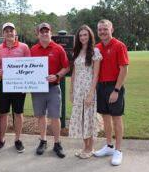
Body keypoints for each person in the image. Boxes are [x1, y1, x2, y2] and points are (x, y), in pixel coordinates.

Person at [30, 22, 70, 158]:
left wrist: (57, 75)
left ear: (51, 33)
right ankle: (43, 140)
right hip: (37, 89)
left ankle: (57, 143)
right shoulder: (33, 49)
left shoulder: (58, 49)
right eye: (42, 32)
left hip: (53, 88)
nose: (44, 33)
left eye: (47, 31)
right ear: (38, 34)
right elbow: (26, 68)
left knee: (55, 117)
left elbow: (66, 67)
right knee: (41, 116)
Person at [93, 19, 129, 166]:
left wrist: (116, 90)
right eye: (100, 29)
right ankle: (109, 146)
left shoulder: (119, 46)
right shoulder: (97, 47)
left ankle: (118, 150)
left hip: (114, 86)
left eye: (105, 29)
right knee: (105, 117)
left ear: (111, 30)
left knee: (116, 118)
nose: (102, 32)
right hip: (100, 87)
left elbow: (124, 70)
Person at [0, 22, 31, 153]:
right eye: (6, 31)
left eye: (11, 30)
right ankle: (1, 138)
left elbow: (29, 66)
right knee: (3, 113)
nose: (9, 33)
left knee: (18, 113)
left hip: (19, 85)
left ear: (15, 32)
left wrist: (27, 84)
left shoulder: (24, 47)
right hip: (3, 85)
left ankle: (17, 139)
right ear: (3, 33)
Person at [69, 25, 102, 159]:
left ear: (90, 36)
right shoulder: (76, 52)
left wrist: (90, 94)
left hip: (89, 89)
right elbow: (74, 73)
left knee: (89, 116)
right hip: (78, 89)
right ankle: (85, 146)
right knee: (81, 117)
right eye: (81, 35)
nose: (83, 37)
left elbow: (96, 75)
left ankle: (90, 148)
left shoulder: (95, 52)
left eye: (85, 35)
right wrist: (71, 91)